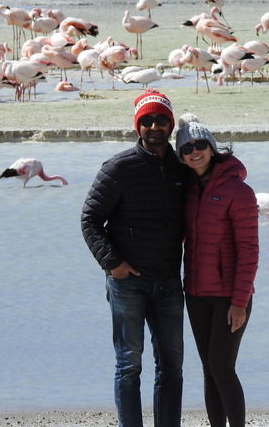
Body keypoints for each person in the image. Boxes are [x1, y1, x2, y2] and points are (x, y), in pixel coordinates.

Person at [81, 88, 186, 427]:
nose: (154, 127)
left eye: (161, 120)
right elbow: (90, 219)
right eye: (147, 121)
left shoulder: (181, 167)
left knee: (171, 366)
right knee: (129, 364)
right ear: (137, 126)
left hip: (169, 282)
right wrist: (112, 263)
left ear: (170, 124)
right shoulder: (119, 167)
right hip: (128, 283)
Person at [175, 115, 259, 427]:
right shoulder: (186, 191)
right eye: (186, 148)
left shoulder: (239, 191)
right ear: (181, 156)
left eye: (200, 144)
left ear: (212, 148)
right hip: (196, 293)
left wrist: (239, 302)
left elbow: (249, 250)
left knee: (223, 369)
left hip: (230, 296)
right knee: (209, 370)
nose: (194, 151)